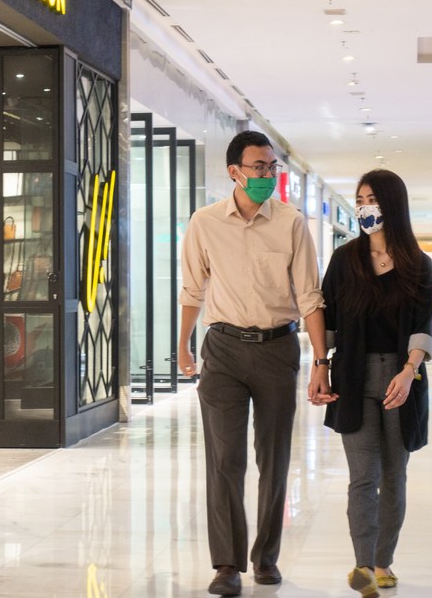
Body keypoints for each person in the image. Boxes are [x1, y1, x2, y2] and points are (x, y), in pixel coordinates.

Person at [178, 130, 334, 596]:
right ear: (234, 172)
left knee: (273, 457)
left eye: (272, 167)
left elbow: (310, 296)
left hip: (276, 348)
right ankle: (226, 564)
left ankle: (265, 556)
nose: (267, 175)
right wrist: (183, 343)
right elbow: (192, 289)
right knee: (225, 459)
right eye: (258, 167)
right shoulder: (204, 222)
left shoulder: (290, 222)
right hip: (222, 348)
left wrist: (321, 361)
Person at [310, 169, 432, 598]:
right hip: (354, 376)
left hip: (401, 381)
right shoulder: (345, 260)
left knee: (395, 475)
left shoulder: (418, 264)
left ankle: (384, 562)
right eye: (361, 199)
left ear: (393, 206)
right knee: (363, 476)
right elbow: (326, 321)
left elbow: (423, 327)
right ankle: (363, 565)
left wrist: (409, 371)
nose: (366, 207)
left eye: (373, 200)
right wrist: (319, 366)